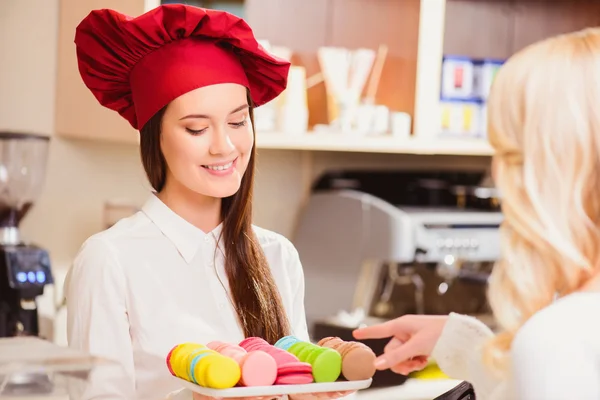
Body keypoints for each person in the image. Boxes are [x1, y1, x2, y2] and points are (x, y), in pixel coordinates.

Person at [64, 5, 350, 400]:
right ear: (155, 137)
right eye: (196, 127)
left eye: (237, 121)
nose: (225, 146)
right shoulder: (109, 260)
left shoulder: (277, 255)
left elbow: (292, 383)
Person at [353, 27, 600, 400]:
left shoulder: (560, 336)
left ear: (547, 167)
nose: (496, 173)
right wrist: (465, 345)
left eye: (506, 151)